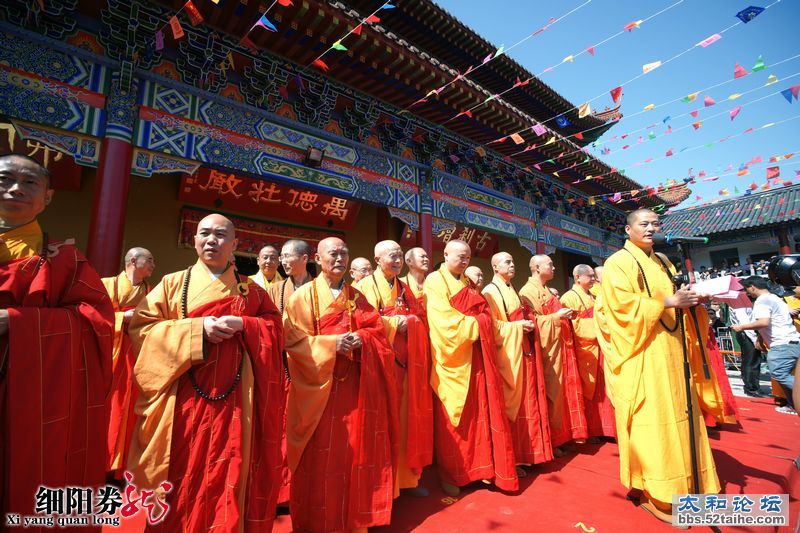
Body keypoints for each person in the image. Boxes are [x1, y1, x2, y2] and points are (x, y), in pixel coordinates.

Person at [128, 214, 285, 530]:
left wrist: (246, 324)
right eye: (204, 233)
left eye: (221, 235)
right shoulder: (172, 284)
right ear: (194, 240)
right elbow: (142, 331)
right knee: (181, 470)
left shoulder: (251, 292)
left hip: (237, 401)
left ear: (236, 245)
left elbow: (276, 331)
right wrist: (196, 330)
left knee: (232, 468)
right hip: (184, 401)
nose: (212, 240)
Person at [0, 154, 114, 518]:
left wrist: (18, 323)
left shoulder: (66, 262)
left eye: (30, 182)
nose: (16, 188)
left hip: (23, 396)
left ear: (48, 197)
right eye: (6, 179)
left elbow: (96, 322)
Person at [594, 208, 720, 524]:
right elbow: (620, 308)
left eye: (655, 223)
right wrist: (667, 303)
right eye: (644, 223)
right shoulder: (618, 263)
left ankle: (692, 483)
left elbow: (676, 299)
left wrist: (693, 301)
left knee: (682, 416)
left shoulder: (664, 261)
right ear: (627, 229)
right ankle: (659, 492)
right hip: (644, 355)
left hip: (673, 353)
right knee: (655, 421)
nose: (651, 228)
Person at [283, 237, 399, 532]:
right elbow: (292, 342)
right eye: (332, 253)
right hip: (318, 391)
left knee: (353, 456)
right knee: (320, 458)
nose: (339, 258)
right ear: (317, 259)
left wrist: (365, 339)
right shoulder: (302, 297)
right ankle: (318, 521)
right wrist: (330, 345)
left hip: (353, 389)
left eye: (344, 253)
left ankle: (353, 519)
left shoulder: (357, 296)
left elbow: (377, 331)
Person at [424, 240, 517, 497]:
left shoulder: (467, 283)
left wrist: (482, 321)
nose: (465, 261)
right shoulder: (435, 281)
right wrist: (479, 323)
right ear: (445, 254)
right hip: (453, 359)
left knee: (480, 414)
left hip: (475, 356)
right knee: (456, 417)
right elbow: (443, 321)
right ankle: (453, 473)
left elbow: (485, 313)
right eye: (460, 256)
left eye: (467, 257)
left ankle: (481, 469)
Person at [356, 240, 432, 497]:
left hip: (404, 364)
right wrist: (391, 323)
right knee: (381, 422)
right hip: (378, 363)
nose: (398, 260)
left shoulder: (403, 288)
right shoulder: (364, 286)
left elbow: (420, 318)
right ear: (377, 260)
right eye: (393, 256)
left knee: (405, 419)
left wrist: (411, 322)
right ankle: (381, 484)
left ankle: (406, 479)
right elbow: (358, 320)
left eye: (400, 256)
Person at [482, 252, 552, 473]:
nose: (513, 265)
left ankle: (530, 454)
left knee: (529, 403)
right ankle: (514, 458)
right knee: (512, 407)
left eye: (513, 261)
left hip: (522, 351)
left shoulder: (511, 288)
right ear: (495, 267)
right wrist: (517, 327)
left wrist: (528, 322)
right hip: (509, 356)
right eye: (507, 262)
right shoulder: (490, 292)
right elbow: (492, 327)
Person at [520, 255, 587, 455]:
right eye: (550, 264)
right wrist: (557, 317)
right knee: (552, 392)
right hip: (547, 350)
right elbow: (534, 322)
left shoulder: (547, 290)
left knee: (562, 392)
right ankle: (552, 439)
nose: (554, 267)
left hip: (559, 345)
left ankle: (563, 436)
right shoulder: (527, 291)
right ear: (537, 267)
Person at [265, 239, 314, 506]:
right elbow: (268, 326)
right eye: (281, 256)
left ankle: (309, 484)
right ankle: (283, 491)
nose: (282, 261)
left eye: (287, 256)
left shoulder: (319, 289)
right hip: (284, 365)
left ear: (305, 258)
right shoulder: (274, 291)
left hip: (316, 364)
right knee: (282, 427)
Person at [102, 246, 155, 481]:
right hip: (110, 354)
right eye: (150, 260)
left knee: (131, 408)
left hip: (136, 355)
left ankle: (124, 467)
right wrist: (122, 318)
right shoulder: (107, 285)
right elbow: (92, 315)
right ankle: (101, 463)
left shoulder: (151, 291)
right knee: (109, 407)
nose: (154, 265)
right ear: (134, 261)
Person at [560, 265, 616, 440]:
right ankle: (591, 430)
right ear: (577, 277)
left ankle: (606, 430)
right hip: (583, 350)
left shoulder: (593, 296)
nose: (594, 279)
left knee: (604, 390)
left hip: (598, 348)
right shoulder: (569, 297)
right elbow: (571, 326)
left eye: (594, 276)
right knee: (588, 393)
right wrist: (598, 326)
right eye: (590, 277)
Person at [733, 276, 800, 412]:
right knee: (783, 375)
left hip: (781, 345)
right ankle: (793, 405)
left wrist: (742, 327)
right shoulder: (776, 298)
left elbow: (763, 322)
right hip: (791, 341)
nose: (748, 293)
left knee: (779, 374)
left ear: (752, 287)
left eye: (747, 290)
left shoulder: (762, 301)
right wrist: (760, 338)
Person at [727, 304, 764, 397]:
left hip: (745, 333)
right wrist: (754, 339)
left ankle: (752, 386)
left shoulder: (740, 303)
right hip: (746, 333)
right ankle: (751, 388)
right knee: (751, 361)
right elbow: (744, 322)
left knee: (751, 360)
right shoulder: (739, 304)